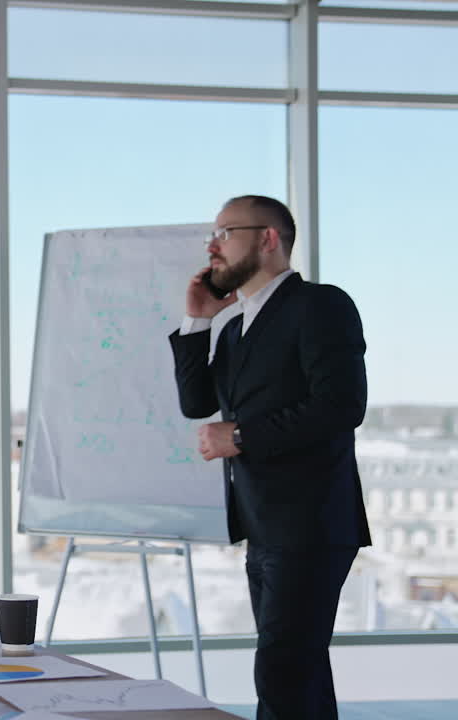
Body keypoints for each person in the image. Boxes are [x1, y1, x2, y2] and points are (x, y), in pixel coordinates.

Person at [168, 195, 370, 719]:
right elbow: (197, 403)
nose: (212, 246)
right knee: (299, 673)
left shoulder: (321, 305)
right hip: (264, 525)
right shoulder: (236, 327)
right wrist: (197, 321)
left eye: (225, 233)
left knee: (282, 672)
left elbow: (341, 405)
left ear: (268, 238)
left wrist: (240, 436)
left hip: (311, 522)